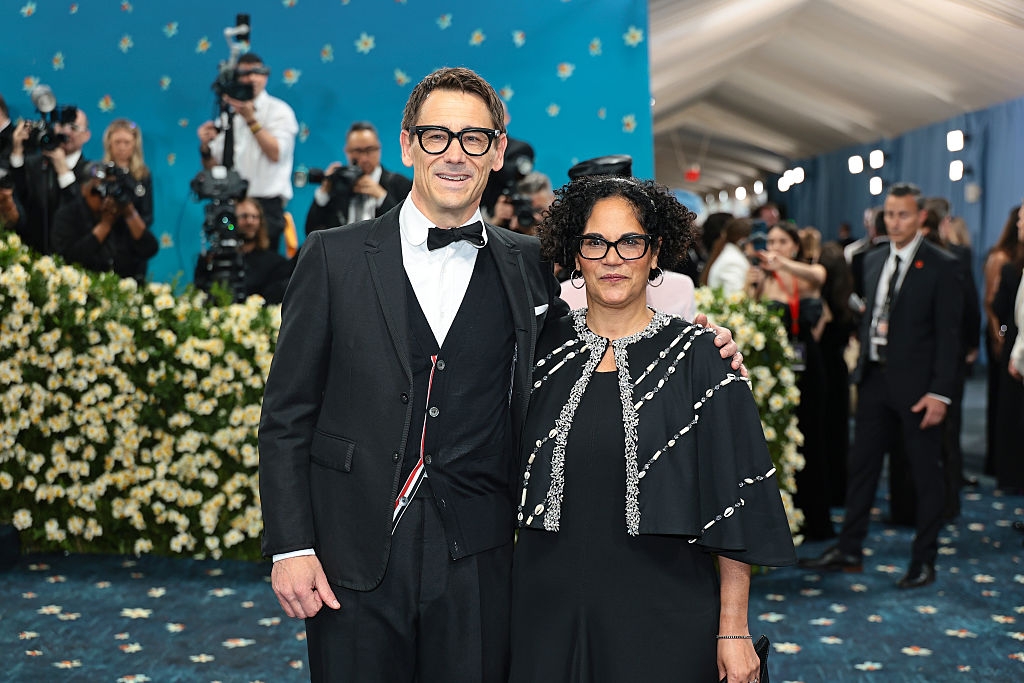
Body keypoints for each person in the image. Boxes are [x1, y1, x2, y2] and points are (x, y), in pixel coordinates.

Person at [258, 66, 743, 683]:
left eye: (474, 138)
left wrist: (698, 347)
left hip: (481, 558)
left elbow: (598, 348)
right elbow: (286, 418)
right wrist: (292, 546)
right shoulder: (333, 256)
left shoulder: (529, 264)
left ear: (497, 150)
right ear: (407, 144)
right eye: (437, 136)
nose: (455, 154)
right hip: (350, 555)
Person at [510, 174, 794, 683]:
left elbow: (732, 502)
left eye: (630, 242)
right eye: (595, 242)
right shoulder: (536, 352)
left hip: (664, 607)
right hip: (543, 606)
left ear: (656, 251)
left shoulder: (702, 358)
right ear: (575, 255)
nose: (612, 257)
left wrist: (733, 629)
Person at [800, 182, 963, 589]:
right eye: (888, 214)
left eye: (903, 214)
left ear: (921, 217)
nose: (894, 222)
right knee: (861, 471)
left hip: (919, 388)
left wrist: (941, 392)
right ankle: (849, 549)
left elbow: (951, 335)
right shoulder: (872, 260)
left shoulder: (942, 264)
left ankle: (923, 560)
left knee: (925, 476)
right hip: (874, 379)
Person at [748, 223, 832, 540]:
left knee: (811, 439)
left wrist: (781, 263)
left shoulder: (807, 273)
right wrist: (753, 283)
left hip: (806, 369)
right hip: (770, 372)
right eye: (770, 241)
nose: (775, 246)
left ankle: (815, 520)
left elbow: (821, 278)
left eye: (782, 241)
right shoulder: (759, 277)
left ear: (795, 246)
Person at [197, 52, 297, 252]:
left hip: (265, 208)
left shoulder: (279, 111)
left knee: (264, 269)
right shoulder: (227, 115)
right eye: (245, 73)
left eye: (257, 72)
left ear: (266, 76)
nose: (251, 78)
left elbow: (276, 152)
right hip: (232, 206)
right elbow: (215, 170)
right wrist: (206, 149)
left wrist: (251, 119)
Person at [51, 165, 158, 283]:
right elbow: (71, 257)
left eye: (109, 190)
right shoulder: (68, 215)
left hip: (123, 287)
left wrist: (129, 212)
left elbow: (150, 248)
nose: (104, 197)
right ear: (83, 188)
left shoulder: (120, 215)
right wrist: (104, 226)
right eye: (98, 190)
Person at [303, 121, 412, 235]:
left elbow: (409, 229)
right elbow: (311, 232)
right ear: (347, 152)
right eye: (357, 151)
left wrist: (381, 196)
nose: (364, 158)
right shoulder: (338, 185)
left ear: (379, 149)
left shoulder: (398, 184)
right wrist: (324, 192)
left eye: (369, 150)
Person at [8, 106, 91, 254]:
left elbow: (82, 214)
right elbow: (19, 197)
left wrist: (63, 171)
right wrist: (17, 152)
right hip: (32, 253)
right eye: (61, 125)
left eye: (73, 127)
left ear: (86, 135)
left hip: (72, 259)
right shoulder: (34, 164)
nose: (66, 131)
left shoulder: (90, 171)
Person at [983, 205, 1023, 475]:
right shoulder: (1002, 260)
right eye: (1019, 219)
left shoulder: (1011, 262)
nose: (1020, 223)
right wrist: (1001, 334)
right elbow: (993, 304)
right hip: (1009, 339)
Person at [193, 197, 293, 304]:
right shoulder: (212, 260)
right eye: (244, 216)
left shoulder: (276, 263)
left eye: (255, 217)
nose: (250, 221)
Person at [101, 118, 154, 230]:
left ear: (135, 144)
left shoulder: (143, 174)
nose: (122, 147)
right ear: (109, 143)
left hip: (134, 238)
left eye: (127, 142)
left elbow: (147, 216)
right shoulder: (101, 173)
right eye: (117, 142)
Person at [489, 170, 554, 236]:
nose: (534, 216)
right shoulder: (509, 220)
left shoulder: (562, 221)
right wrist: (496, 222)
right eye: (529, 208)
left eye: (539, 210)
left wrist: (537, 233)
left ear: (553, 200)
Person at [701, 216, 752, 294]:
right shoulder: (733, 262)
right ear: (743, 242)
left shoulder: (732, 255)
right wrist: (748, 282)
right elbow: (733, 301)